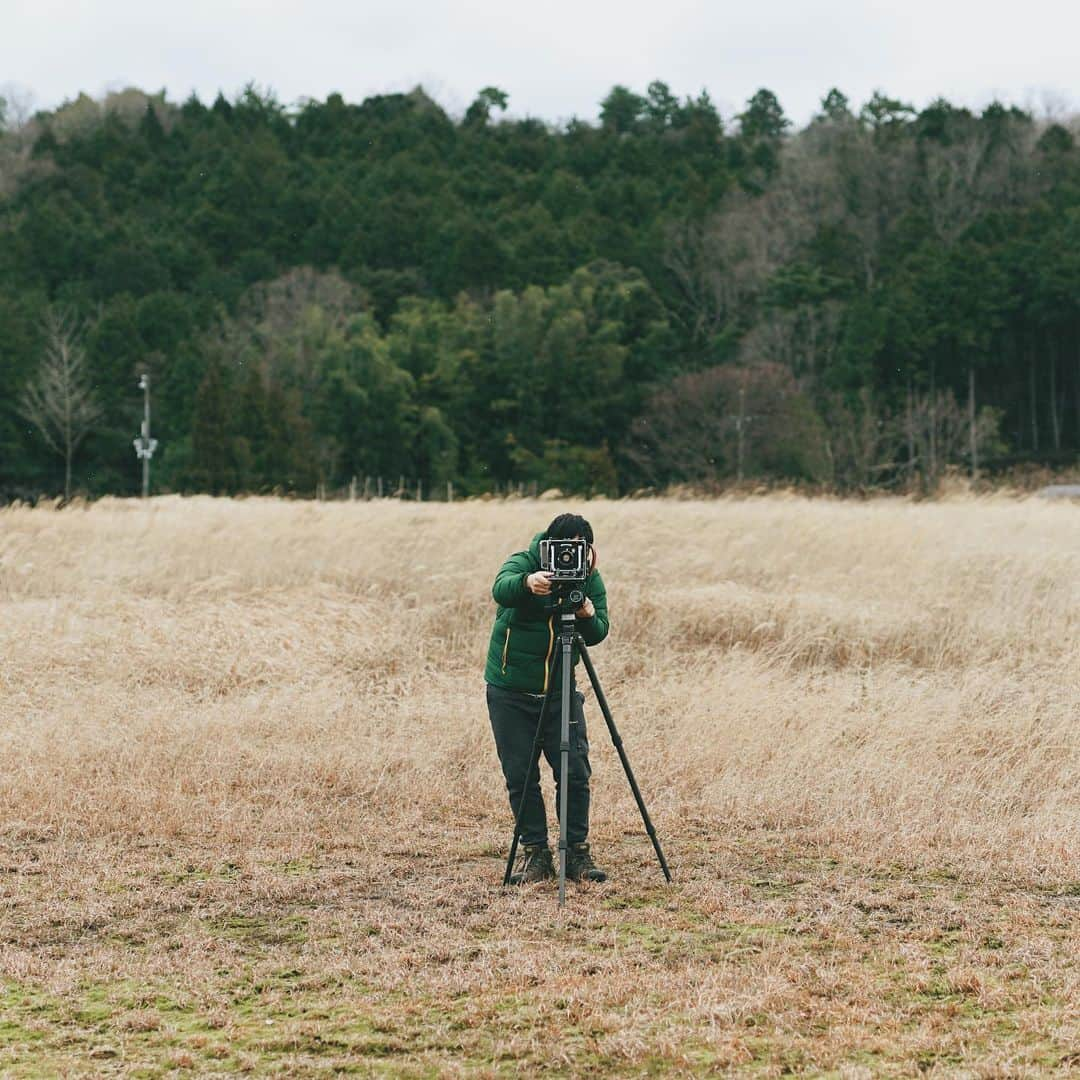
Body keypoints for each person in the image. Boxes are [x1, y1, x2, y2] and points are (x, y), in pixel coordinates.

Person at [485, 512, 610, 885]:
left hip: (559, 692)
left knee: (575, 773)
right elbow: (501, 588)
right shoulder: (526, 562)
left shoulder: (589, 575)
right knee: (521, 776)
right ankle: (535, 853)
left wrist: (587, 611)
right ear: (547, 545)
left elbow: (599, 629)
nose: (569, 556)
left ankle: (575, 853)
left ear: (588, 549)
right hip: (511, 690)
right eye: (562, 547)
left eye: (578, 548)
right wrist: (528, 584)